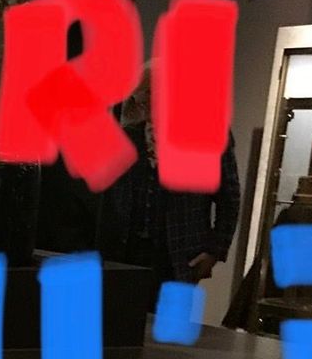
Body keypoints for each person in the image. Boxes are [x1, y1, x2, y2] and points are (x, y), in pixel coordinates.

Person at [98, 77, 243, 291]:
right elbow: (110, 199)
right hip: (127, 253)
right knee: (124, 309)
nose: (143, 101)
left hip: (180, 255)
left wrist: (214, 251)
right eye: (141, 94)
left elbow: (229, 198)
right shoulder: (128, 136)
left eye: (151, 93)